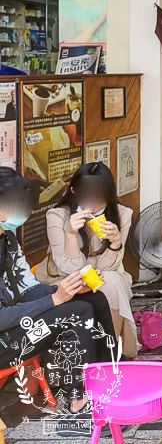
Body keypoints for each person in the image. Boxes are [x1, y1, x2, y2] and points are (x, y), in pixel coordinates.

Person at [0, 167, 116, 414]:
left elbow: (27, 289)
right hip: (6, 344)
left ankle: (107, 379)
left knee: (93, 298)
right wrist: (54, 299)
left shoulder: (7, 239)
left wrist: (69, 290)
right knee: (77, 313)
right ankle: (78, 400)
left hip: (18, 327)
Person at [36, 162, 137, 357]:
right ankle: (107, 356)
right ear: (74, 191)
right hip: (64, 278)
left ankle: (109, 352)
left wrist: (116, 243)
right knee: (110, 283)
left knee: (112, 281)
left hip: (104, 275)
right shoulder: (57, 216)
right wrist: (70, 234)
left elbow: (110, 267)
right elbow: (68, 268)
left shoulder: (122, 214)